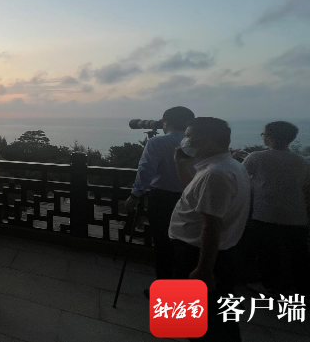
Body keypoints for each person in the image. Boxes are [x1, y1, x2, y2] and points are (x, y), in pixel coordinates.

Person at [169, 118, 250, 342]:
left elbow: (211, 225)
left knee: (205, 323)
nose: (185, 141)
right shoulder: (224, 167)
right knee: (210, 318)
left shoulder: (216, 174)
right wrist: (180, 165)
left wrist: (203, 269)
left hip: (197, 255)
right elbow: (197, 197)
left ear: (206, 140)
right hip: (205, 252)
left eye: (189, 136)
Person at [125, 106, 195, 294]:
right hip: (193, 198)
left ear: (166, 122)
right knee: (187, 244)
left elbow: (146, 170)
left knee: (163, 243)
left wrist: (135, 194)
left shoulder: (157, 142)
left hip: (163, 198)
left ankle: (165, 290)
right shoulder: (197, 143)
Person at [242, 121, 310, 296]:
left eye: (264, 134)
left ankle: (270, 287)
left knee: (267, 252)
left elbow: (241, 179)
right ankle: (303, 290)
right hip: (296, 216)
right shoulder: (301, 161)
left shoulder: (255, 158)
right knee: (299, 255)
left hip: (265, 214)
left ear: (269, 137)